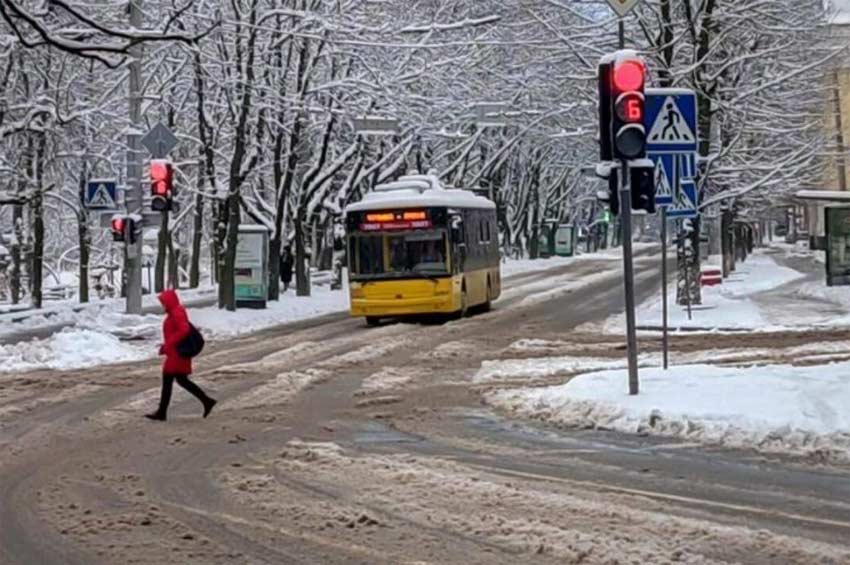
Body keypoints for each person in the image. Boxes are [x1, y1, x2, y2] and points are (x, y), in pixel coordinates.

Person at [146, 289, 216, 421]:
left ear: (169, 302)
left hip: (177, 354)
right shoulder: (174, 312)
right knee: (181, 380)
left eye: (164, 302)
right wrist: (165, 347)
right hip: (175, 353)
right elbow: (175, 332)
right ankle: (206, 401)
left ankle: (162, 412)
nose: (163, 305)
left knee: (169, 380)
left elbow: (183, 330)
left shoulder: (177, 312)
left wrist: (168, 345)